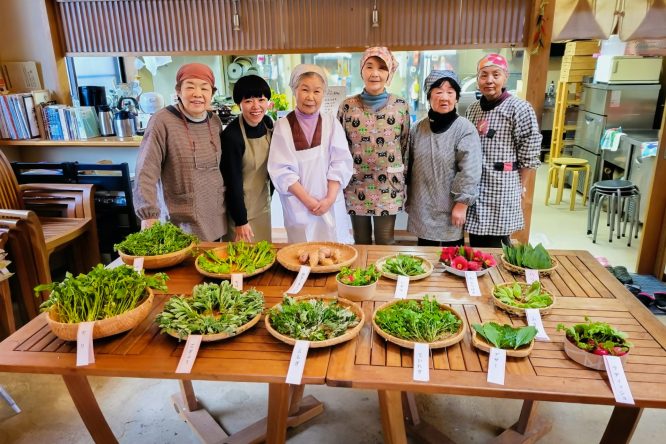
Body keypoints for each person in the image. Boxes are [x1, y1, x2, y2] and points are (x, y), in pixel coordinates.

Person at [133, 63, 226, 241]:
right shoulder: (162, 121)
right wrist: (148, 214)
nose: (198, 94)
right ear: (178, 91)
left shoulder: (214, 122)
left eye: (204, 88)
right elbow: (146, 169)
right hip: (180, 221)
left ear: (212, 94)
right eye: (190, 87)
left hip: (215, 214)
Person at [268, 64, 353, 243]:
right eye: (304, 89)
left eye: (317, 91)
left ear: (324, 93)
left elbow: (340, 163)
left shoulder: (331, 123)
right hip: (299, 207)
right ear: (294, 90)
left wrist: (329, 199)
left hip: (329, 204)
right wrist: (308, 201)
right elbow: (281, 171)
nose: (310, 97)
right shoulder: (282, 127)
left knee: (334, 254)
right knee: (303, 256)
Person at [465, 53, 541, 248]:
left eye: (495, 74)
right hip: (476, 185)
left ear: (505, 77)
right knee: (476, 240)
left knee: (498, 243)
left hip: (503, 186)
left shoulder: (520, 108)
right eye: (483, 75)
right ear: (477, 79)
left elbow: (529, 153)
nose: (489, 80)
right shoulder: (472, 109)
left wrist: (521, 186)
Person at [338, 46, 410, 245]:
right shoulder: (347, 106)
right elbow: (340, 147)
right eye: (369, 66)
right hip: (355, 184)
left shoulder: (400, 105)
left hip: (389, 185)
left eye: (382, 68)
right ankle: (362, 276)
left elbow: (404, 145)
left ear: (390, 73)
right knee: (360, 241)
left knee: (386, 241)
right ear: (361, 70)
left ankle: (385, 277)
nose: (375, 73)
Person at [406, 70, 482, 246]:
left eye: (450, 92)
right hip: (422, 207)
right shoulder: (417, 128)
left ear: (456, 97)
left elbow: (470, 170)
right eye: (438, 92)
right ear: (429, 96)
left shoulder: (465, 129)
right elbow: (410, 166)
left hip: (451, 208)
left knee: (451, 261)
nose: (444, 97)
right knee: (424, 259)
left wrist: (462, 204)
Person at [220, 75, 274, 242]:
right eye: (248, 101)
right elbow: (232, 182)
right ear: (239, 104)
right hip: (240, 211)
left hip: (263, 207)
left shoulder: (268, 123)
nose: (256, 106)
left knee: (264, 256)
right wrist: (241, 221)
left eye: (261, 99)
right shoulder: (232, 135)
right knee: (241, 262)